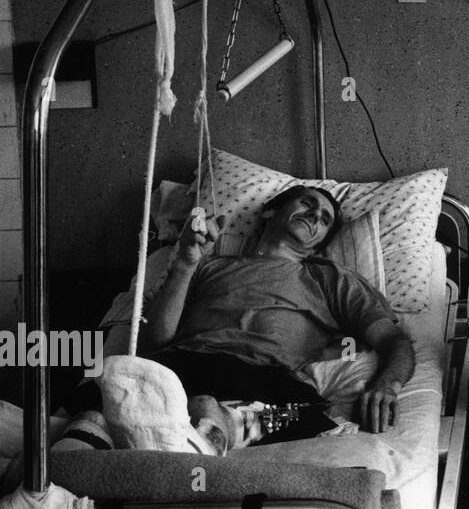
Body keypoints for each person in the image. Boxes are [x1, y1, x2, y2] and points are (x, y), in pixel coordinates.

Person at [82, 185, 414, 448]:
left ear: (318, 244)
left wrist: (387, 385)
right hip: (182, 366)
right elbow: (157, 340)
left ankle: (212, 429)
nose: (315, 216)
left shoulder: (330, 278)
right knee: (109, 384)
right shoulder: (208, 266)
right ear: (270, 210)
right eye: (307, 203)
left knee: (303, 414)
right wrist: (185, 261)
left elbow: (393, 340)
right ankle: (93, 443)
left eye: (325, 220)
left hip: (264, 379)